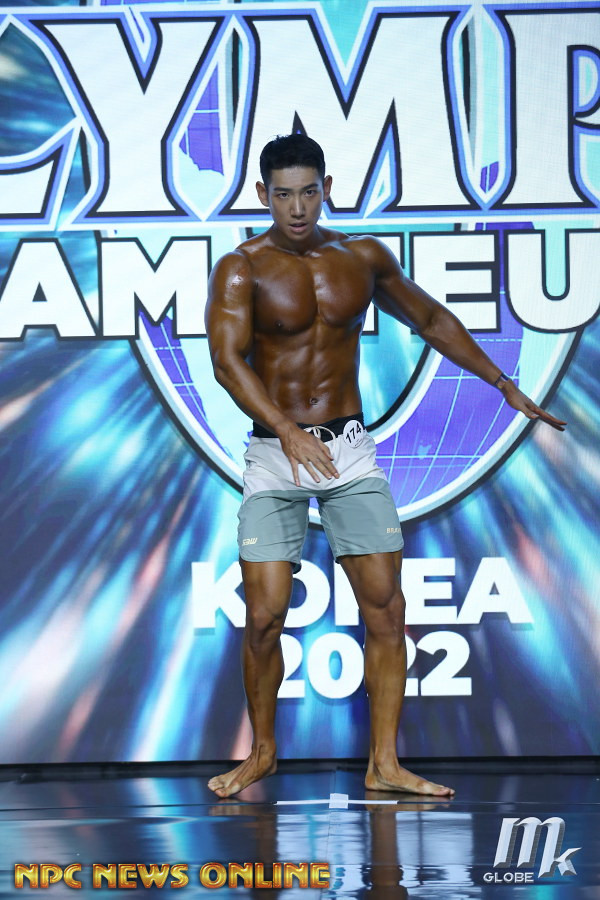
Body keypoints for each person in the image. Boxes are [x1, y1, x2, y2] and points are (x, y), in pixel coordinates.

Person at [204, 134, 565, 799]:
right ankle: (262, 753)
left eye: (308, 192)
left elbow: (429, 318)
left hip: (348, 450)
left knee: (385, 611)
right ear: (262, 196)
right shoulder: (240, 269)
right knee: (264, 617)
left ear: (327, 188)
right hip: (274, 455)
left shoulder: (362, 258)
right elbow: (226, 362)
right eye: (282, 195)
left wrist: (502, 383)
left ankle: (385, 764)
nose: (296, 208)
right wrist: (286, 430)